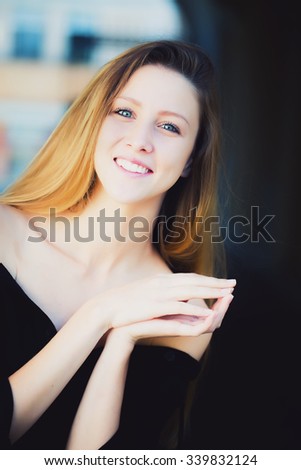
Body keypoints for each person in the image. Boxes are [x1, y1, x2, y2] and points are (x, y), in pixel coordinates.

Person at [0, 40, 236, 450]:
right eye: (124, 112)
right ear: (94, 123)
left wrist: (121, 343)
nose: (139, 140)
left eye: (169, 126)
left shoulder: (180, 314)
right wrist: (99, 315)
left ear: (189, 161)